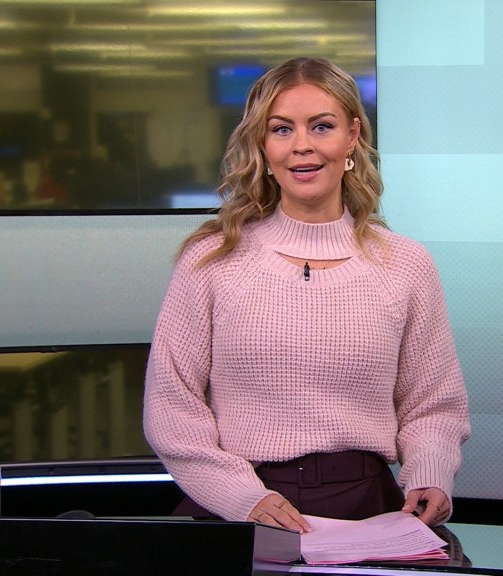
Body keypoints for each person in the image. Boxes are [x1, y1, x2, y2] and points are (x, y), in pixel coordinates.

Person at [143, 57, 470, 534]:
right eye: (281, 129)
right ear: (262, 144)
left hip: (369, 507)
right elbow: (172, 406)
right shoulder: (211, 260)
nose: (302, 146)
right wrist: (240, 497)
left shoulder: (406, 264)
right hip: (241, 506)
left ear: (352, 136)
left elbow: (432, 404)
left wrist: (430, 473)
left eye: (321, 126)